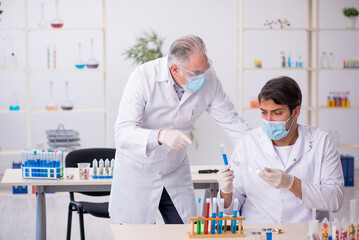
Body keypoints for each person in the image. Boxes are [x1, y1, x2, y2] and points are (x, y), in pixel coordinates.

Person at [109, 34, 250, 224]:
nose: (203, 76)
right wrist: (161, 136)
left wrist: (260, 150)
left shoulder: (209, 79)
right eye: (196, 72)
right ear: (174, 69)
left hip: (174, 171)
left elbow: (232, 122)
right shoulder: (143, 77)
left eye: (206, 68)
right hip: (139, 172)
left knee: (187, 229)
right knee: (137, 234)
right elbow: (123, 132)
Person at [217, 76, 344, 223]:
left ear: (296, 112)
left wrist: (292, 183)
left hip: (306, 232)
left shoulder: (321, 142)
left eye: (277, 113)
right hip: (259, 232)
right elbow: (230, 208)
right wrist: (226, 191)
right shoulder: (248, 143)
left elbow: (335, 199)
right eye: (264, 112)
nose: (269, 120)